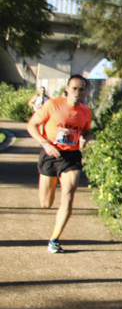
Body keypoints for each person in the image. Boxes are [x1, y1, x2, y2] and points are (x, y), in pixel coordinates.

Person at [26, 75, 92, 254]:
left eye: (81, 89)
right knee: (46, 203)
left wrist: (85, 139)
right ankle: (52, 185)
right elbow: (32, 126)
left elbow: (87, 130)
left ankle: (54, 239)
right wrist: (45, 144)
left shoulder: (85, 111)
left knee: (69, 194)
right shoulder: (53, 105)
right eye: (74, 89)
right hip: (50, 154)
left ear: (85, 91)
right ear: (67, 89)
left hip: (71, 157)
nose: (77, 93)